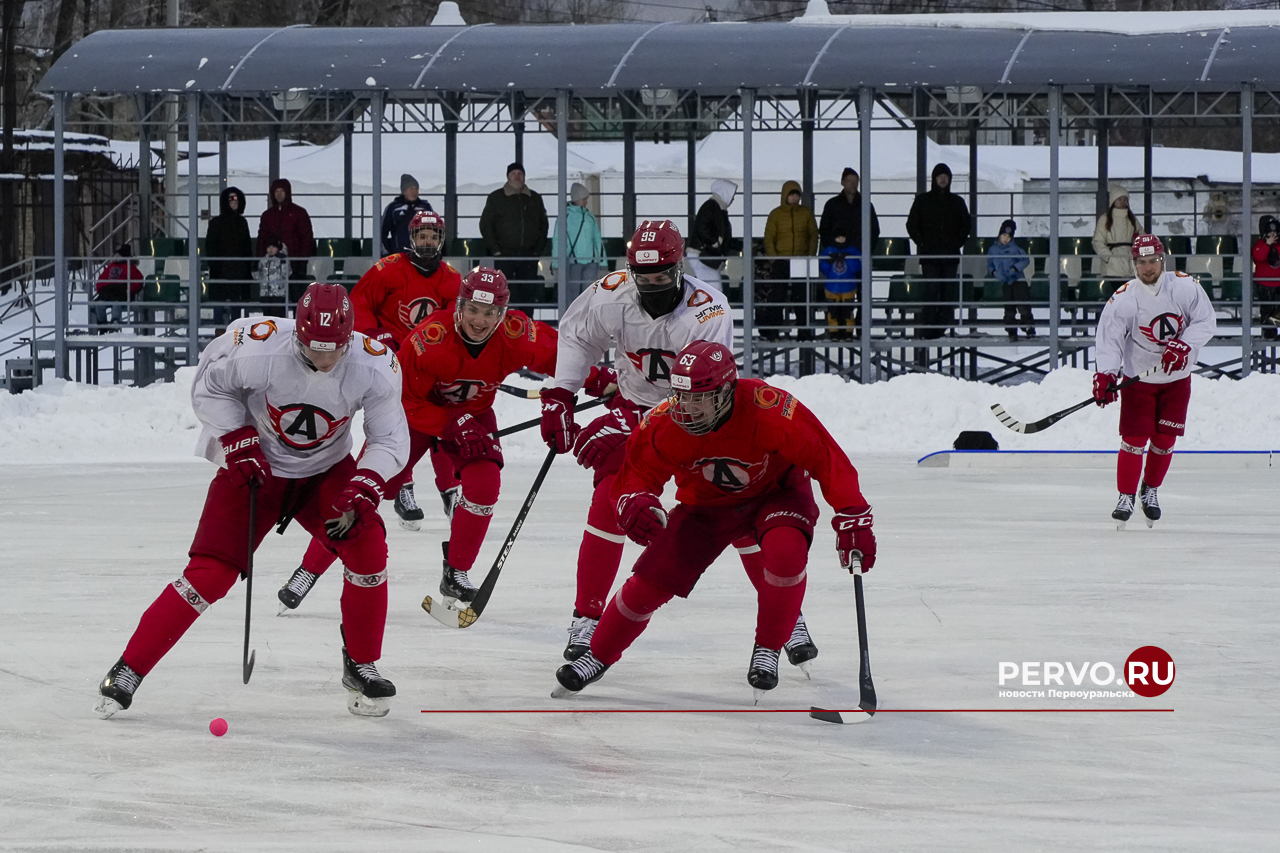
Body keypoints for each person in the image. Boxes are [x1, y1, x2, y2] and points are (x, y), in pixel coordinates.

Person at [93, 283, 409, 719]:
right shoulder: (254, 345)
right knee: (209, 576)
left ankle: (362, 663)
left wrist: (368, 480)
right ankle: (129, 667)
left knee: (368, 546)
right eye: (311, 348)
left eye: (332, 350)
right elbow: (208, 388)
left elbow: (390, 437)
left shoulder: (374, 364)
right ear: (296, 334)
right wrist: (238, 439)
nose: (322, 360)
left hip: (325, 473)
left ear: (350, 337)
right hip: (254, 469)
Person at [540, 220, 820, 674]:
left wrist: (630, 426)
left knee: (739, 517)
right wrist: (560, 395)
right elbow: (576, 335)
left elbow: (696, 396)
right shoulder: (610, 294)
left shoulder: (707, 312)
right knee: (609, 500)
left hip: (700, 421)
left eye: (661, 276)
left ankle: (788, 615)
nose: (651, 286)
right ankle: (587, 617)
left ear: (680, 267)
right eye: (642, 276)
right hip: (637, 411)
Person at [552, 340, 877, 700]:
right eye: (681, 396)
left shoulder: (770, 409)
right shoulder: (664, 422)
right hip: (705, 506)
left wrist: (853, 517)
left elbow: (826, 459)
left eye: (699, 397)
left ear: (726, 391)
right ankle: (597, 655)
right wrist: (635, 501)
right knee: (649, 581)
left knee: (785, 555)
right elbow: (637, 475)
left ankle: (768, 648)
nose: (686, 408)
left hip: (776, 494)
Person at [276, 268, 571, 614]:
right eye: (473, 309)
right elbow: (400, 397)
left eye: (490, 313)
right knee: (364, 491)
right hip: (413, 418)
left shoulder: (518, 333)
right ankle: (308, 570)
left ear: (502, 315)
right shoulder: (430, 338)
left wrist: (604, 385)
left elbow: (568, 359)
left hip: (472, 417)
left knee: (485, 484)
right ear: (460, 305)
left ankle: (456, 571)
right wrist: (450, 421)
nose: (480, 320)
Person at [341, 209, 462, 530]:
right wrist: (378, 339)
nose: (427, 242)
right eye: (421, 236)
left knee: (442, 419)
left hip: (430, 364)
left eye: (433, 236)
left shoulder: (451, 278)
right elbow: (360, 304)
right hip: (391, 360)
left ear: (441, 239)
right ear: (411, 238)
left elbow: (457, 322)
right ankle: (402, 486)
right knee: (396, 423)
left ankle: (450, 489)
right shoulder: (388, 270)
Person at [1092, 235, 1216, 529]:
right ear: (1134, 264)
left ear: (1163, 260)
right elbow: (1109, 340)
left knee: (1164, 440)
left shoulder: (1185, 287)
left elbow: (1206, 321)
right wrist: (1107, 374)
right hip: (1139, 379)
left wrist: (1184, 345)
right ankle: (1125, 496)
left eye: (1152, 261)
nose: (1147, 268)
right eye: (1141, 262)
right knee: (1134, 439)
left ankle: (1150, 489)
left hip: (1177, 379)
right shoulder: (1124, 298)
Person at [906, 163, 971, 339]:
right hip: (929, 255)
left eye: (946, 176)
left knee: (947, 290)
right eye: (939, 176)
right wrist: (922, 243)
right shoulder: (922, 201)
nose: (943, 179)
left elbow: (966, 225)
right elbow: (911, 225)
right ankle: (929, 326)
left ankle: (943, 324)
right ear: (934, 179)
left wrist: (956, 243)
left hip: (950, 255)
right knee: (931, 289)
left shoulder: (958, 202)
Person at [478, 162, 549, 306]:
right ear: (508, 177)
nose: (517, 177)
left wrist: (537, 250)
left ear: (524, 176)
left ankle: (527, 324)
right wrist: (496, 250)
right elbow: (485, 224)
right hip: (504, 255)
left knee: (528, 293)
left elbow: (544, 225)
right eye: (513, 174)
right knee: (502, 292)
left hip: (529, 255)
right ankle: (503, 324)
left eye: (520, 174)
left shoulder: (534, 198)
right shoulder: (496, 197)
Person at [761, 180, 818, 340]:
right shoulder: (776, 214)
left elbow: (813, 234)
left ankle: (804, 330)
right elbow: (769, 238)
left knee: (801, 296)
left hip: (801, 261)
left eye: (796, 195)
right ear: (785, 195)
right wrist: (774, 258)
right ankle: (773, 331)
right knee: (777, 295)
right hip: (782, 261)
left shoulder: (806, 213)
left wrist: (810, 256)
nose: (794, 198)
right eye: (791, 195)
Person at [256, 178, 314, 300]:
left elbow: (307, 238)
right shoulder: (267, 215)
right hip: (272, 268)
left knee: (296, 301)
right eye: (276, 191)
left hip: (295, 264)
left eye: (282, 191)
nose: (279, 194)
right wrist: (260, 260)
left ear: (288, 192)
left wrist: (301, 261)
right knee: (275, 304)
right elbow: (262, 239)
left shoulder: (299, 213)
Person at [205, 186, 254, 326]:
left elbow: (247, 246)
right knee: (219, 305)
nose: (234, 205)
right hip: (220, 271)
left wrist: (247, 268)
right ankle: (219, 332)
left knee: (236, 306)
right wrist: (214, 265)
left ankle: (235, 332)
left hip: (238, 272)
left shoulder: (242, 223)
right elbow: (210, 246)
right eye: (231, 202)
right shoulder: (215, 223)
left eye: (236, 202)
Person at [551, 182, 605, 303]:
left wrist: (556, 264)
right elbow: (597, 241)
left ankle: (581, 319)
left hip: (576, 261)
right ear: (577, 198)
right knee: (582, 296)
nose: (586, 202)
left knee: (579, 296)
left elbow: (558, 241)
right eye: (584, 199)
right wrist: (602, 261)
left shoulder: (566, 216)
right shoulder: (587, 217)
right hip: (583, 262)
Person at [987, 219, 1033, 340]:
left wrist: (1014, 269)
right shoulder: (993, 250)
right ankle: (1011, 330)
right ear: (999, 235)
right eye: (1003, 235)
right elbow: (990, 264)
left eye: (1008, 236)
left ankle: (1028, 326)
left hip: (1018, 280)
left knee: (1023, 304)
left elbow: (1025, 259)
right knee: (1009, 307)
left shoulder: (1015, 249)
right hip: (1004, 281)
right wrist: (994, 272)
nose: (1005, 238)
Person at [1092, 184, 1143, 294]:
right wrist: (1109, 257)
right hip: (1113, 265)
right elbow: (1098, 241)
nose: (1123, 202)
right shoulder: (1105, 219)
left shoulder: (1132, 219)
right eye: (1120, 199)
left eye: (1125, 199)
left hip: (1130, 261)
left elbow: (1142, 236)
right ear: (1113, 200)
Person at [685, 179, 737, 286]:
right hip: (702, 254)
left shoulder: (714, 207)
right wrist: (715, 242)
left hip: (703, 253)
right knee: (713, 289)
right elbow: (703, 227)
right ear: (725, 192)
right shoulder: (713, 207)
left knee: (711, 289)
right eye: (732, 194)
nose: (733, 199)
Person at [818, 226, 860, 340]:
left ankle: (848, 333)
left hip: (848, 287)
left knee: (848, 312)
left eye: (843, 237)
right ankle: (834, 333)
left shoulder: (852, 250)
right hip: (832, 287)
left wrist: (848, 258)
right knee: (833, 312)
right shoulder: (828, 251)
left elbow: (857, 267)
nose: (841, 239)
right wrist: (829, 261)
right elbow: (822, 268)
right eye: (838, 237)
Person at [91, 243, 144, 330]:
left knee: (116, 304)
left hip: (122, 294)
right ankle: (102, 324)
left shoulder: (131, 268)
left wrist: (130, 290)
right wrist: (101, 289)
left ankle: (115, 322)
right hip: (108, 294)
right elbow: (101, 280)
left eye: (118, 255)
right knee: (99, 304)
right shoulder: (110, 267)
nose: (116, 256)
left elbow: (139, 280)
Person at [380, 174, 434, 257]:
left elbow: (435, 229)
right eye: (411, 189)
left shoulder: (425, 207)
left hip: (421, 256)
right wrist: (387, 252)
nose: (414, 192)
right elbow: (382, 232)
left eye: (416, 189)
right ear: (404, 190)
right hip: (399, 255)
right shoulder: (393, 208)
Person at [1252, 214, 1280, 340]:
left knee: (1277, 309)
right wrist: (1267, 244)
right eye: (1270, 234)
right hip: (1264, 284)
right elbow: (1259, 257)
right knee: (1267, 309)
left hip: (1278, 283)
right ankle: (1269, 333)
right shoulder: (1259, 245)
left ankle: (1274, 323)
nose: (1273, 236)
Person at [255, 239, 291, 316]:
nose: (271, 249)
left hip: (278, 294)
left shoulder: (283, 259)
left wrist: (283, 261)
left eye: (273, 247)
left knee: (278, 317)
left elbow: (287, 273)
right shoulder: (263, 260)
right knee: (267, 318)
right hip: (265, 294)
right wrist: (254, 269)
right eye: (269, 247)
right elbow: (258, 276)